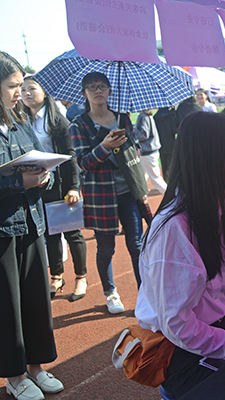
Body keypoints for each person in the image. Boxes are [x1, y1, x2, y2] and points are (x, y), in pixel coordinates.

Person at [135, 112, 225, 399]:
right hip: (178, 350)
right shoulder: (174, 229)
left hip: (213, 333)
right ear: (205, 160)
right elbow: (177, 325)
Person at [0, 51, 65, 400]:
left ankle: (36, 367)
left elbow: (38, 162)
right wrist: (17, 183)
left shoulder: (20, 122)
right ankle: (14, 375)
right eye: (13, 86)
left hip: (32, 222)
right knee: (8, 305)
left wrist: (44, 175)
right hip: (3, 230)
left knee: (36, 299)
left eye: (21, 85)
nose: (20, 92)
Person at [70, 72, 151, 314]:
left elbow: (135, 148)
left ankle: (145, 293)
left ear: (109, 91)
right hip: (101, 195)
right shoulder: (79, 124)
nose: (98, 91)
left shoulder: (122, 118)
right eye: (92, 87)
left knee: (137, 245)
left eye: (102, 86)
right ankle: (110, 293)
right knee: (106, 247)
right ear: (84, 93)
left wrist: (127, 144)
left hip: (129, 190)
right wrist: (105, 146)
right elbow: (83, 162)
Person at [21, 76, 88, 301]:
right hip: (36, 186)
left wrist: (74, 187)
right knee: (50, 234)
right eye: (22, 89)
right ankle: (57, 277)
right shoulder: (22, 122)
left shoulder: (57, 121)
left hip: (60, 185)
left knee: (71, 232)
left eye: (31, 88)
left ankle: (81, 277)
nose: (26, 93)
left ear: (45, 91)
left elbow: (71, 156)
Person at [135, 110, 167, 194]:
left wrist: (133, 130)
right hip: (148, 152)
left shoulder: (144, 117)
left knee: (155, 180)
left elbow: (144, 135)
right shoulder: (144, 116)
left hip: (148, 152)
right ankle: (142, 196)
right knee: (142, 177)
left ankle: (172, 197)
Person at [153, 107, 178, 182]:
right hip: (170, 144)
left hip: (160, 143)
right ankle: (171, 182)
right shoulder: (171, 116)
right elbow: (175, 130)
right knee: (171, 166)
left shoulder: (156, 117)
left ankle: (166, 182)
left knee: (164, 166)